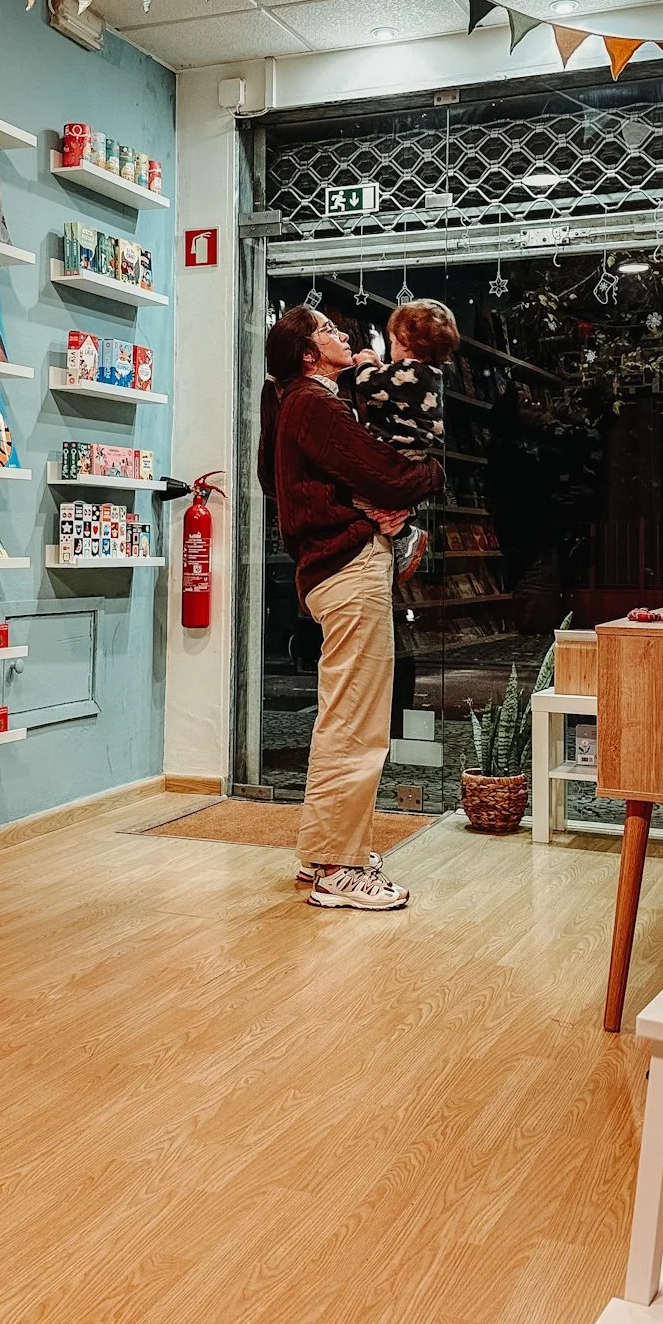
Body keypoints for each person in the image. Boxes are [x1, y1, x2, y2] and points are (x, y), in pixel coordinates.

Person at [258, 305, 444, 910]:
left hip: (328, 573)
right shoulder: (315, 402)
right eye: (327, 331)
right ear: (309, 355)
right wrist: (424, 477)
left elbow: (274, 479)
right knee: (358, 723)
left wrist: (367, 497)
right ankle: (340, 866)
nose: (343, 336)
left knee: (342, 715)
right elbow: (388, 473)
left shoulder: (291, 404)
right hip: (350, 565)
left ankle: (323, 856)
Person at [343, 297, 460, 581]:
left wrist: (366, 362)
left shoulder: (409, 372)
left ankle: (404, 534)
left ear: (408, 345)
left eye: (393, 342)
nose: (391, 348)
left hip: (395, 452)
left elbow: (368, 383)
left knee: (360, 499)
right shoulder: (430, 374)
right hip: (410, 453)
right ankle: (401, 531)